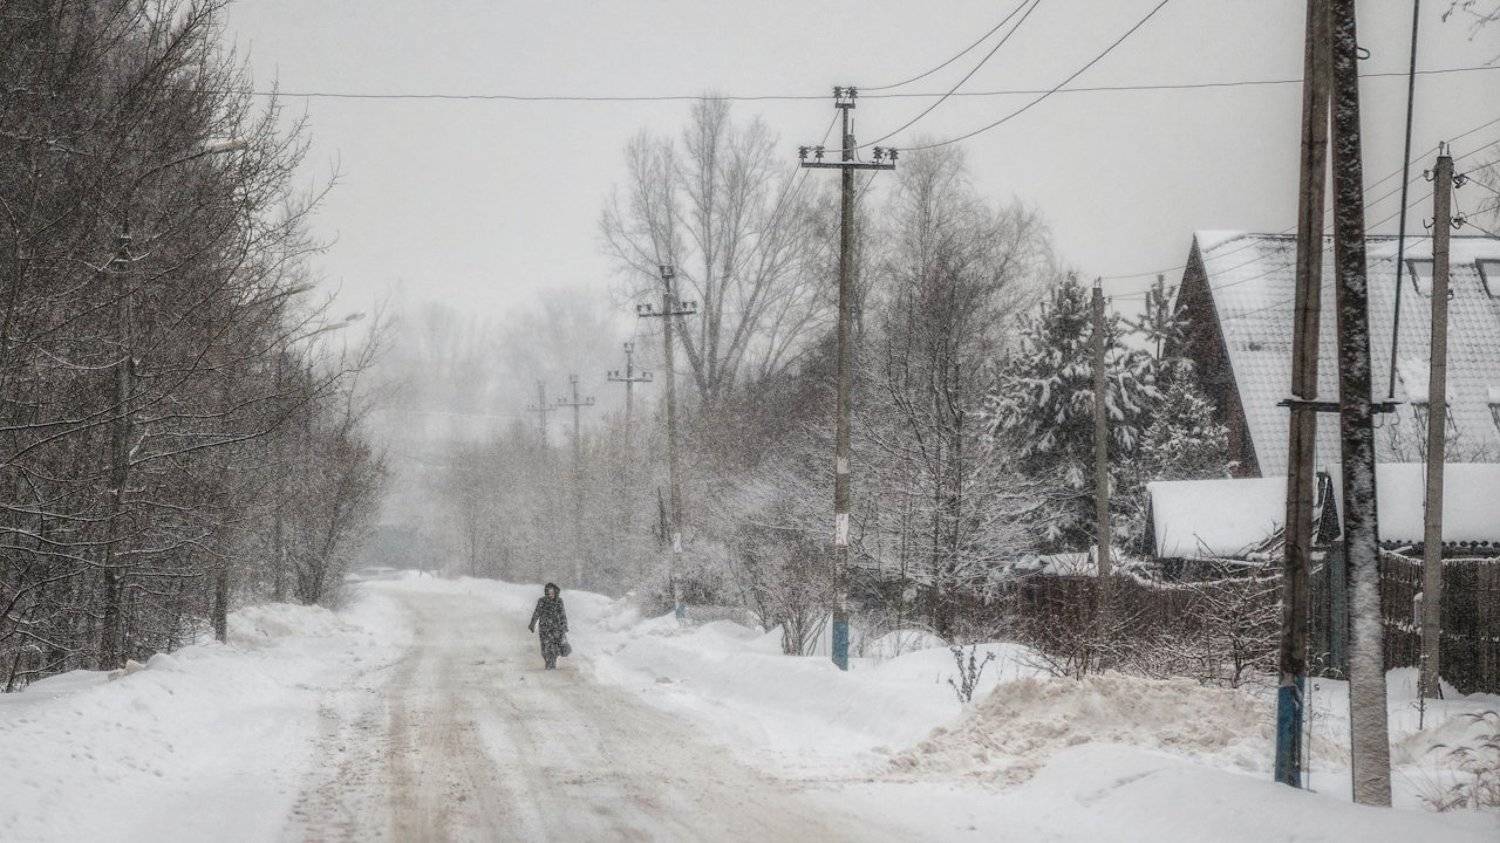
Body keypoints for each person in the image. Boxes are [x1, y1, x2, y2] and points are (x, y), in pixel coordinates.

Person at [527, 582, 569, 670]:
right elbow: (536, 613)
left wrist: (564, 626)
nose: (551, 595)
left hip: (557, 629)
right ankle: (548, 660)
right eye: (549, 593)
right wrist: (532, 624)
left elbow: (562, 615)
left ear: (556, 592)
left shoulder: (559, 601)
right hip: (544, 629)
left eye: (553, 593)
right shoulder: (542, 601)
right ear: (546, 593)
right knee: (545, 647)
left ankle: (552, 662)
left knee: (555, 647)